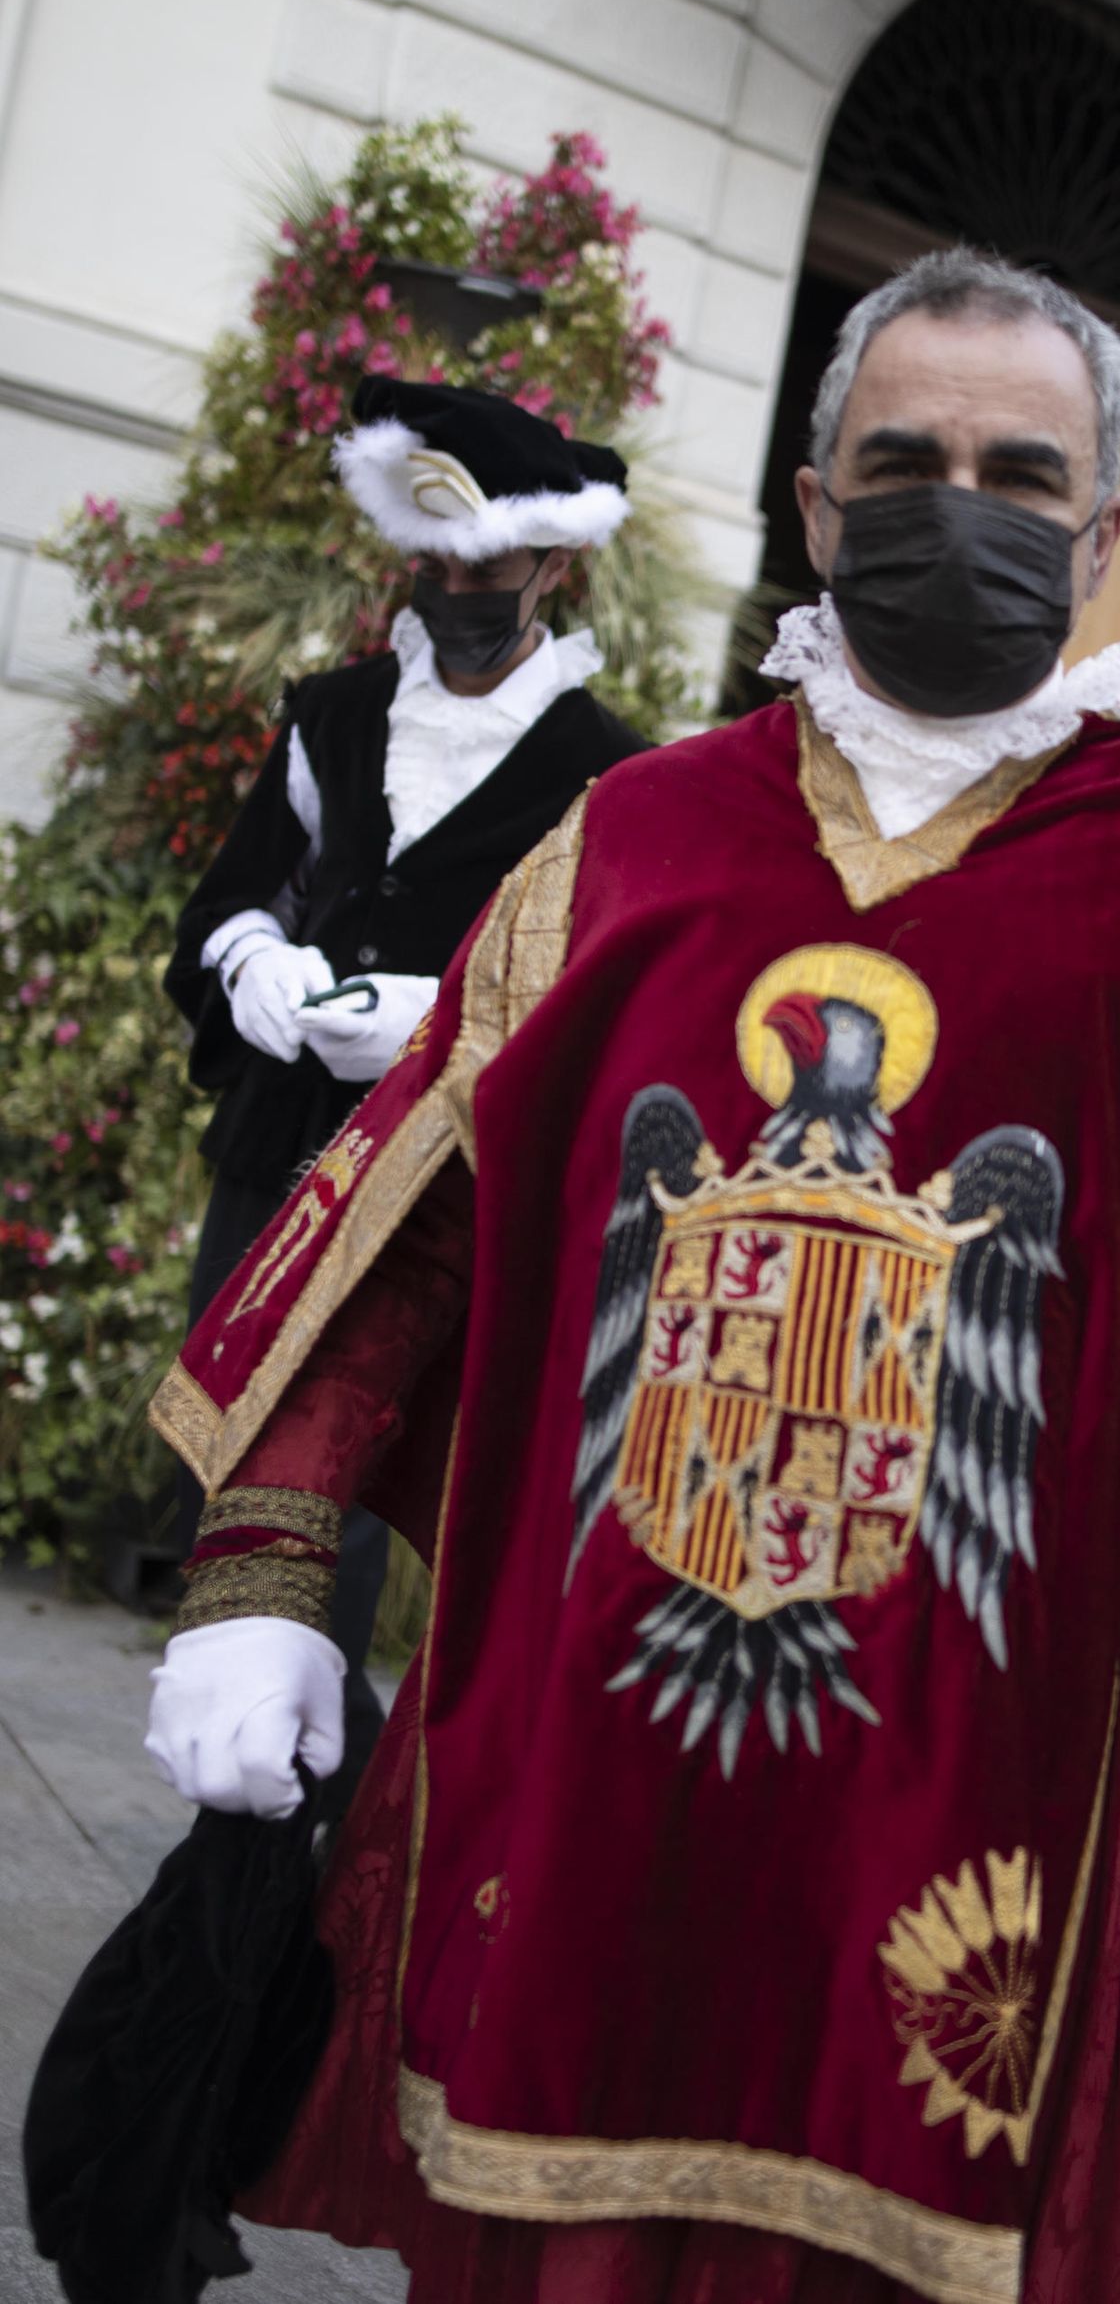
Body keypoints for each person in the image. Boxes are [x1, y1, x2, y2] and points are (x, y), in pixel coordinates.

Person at [140, 251, 1120, 2304]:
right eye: (901, 463)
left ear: (1095, 536)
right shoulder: (629, 840)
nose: (955, 509)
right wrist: (268, 1569)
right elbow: (407, 1221)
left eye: (1017, 474)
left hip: (993, 1797)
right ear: (817, 509)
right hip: (591, 1763)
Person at [162, 375, 646, 1816]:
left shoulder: (608, 772)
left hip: (435, 1180)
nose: (454, 590)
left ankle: (310, 1833)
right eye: (432, 560)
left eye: (486, 567)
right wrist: (254, 962)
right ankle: (246, 1810)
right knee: (225, 1463)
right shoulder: (334, 714)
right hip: (278, 1147)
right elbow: (230, 901)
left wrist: (445, 1023)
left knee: (344, 1498)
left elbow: (600, 998)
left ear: (552, 566)